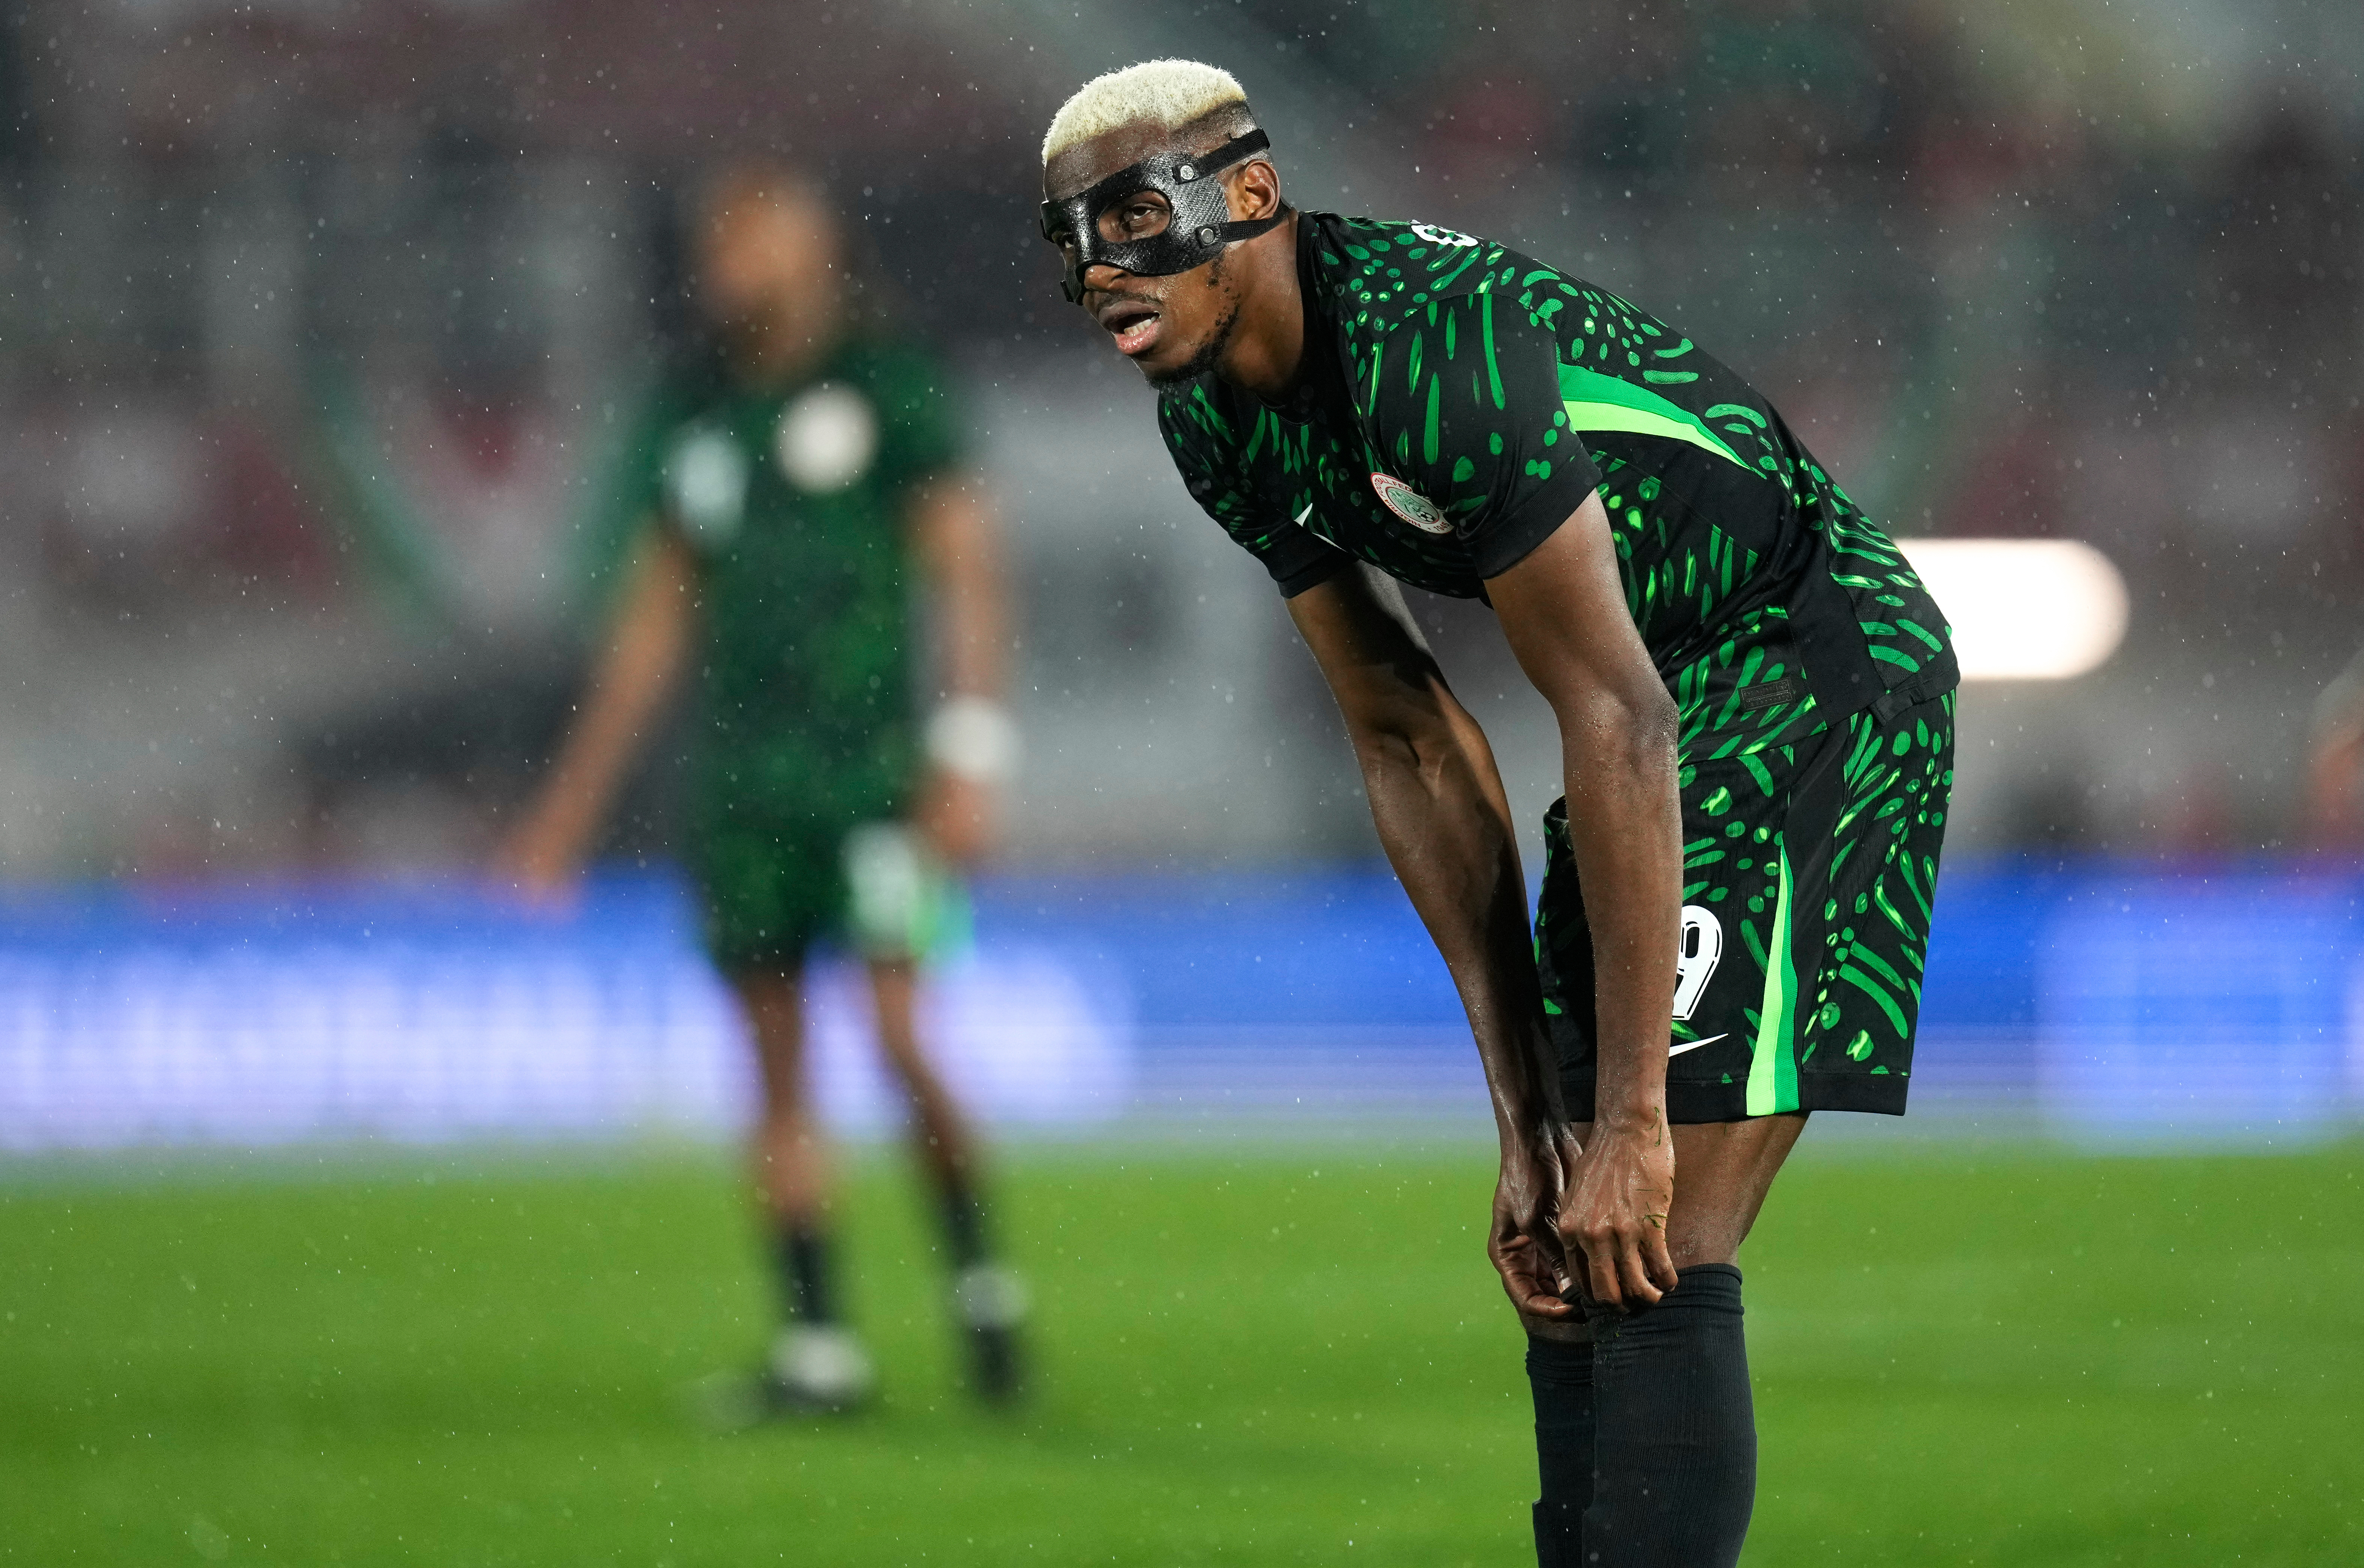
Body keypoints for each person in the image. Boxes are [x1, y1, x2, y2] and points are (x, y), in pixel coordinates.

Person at [1036, 61, 1956, 1567]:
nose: (1097, 274)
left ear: (1250, 193)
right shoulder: (1214, 423)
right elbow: (1406, 736)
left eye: (1132, 218)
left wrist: (1631, 1121)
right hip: (1658, 718)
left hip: (1807, 668)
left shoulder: (1431, 345)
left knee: (1654, 1241)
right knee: (1569, 1249)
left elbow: (1616, 715)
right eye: (1070, 240)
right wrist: (1530, 1124)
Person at [499, 161, 1026, 1412]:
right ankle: (818, 1346)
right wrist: (567, 811)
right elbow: (652, 623)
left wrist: (970, 755)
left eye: (758, 240)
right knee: (774, 1070)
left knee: (901, 1038)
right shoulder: (691, 413)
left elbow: (969, 573)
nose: (732, 265)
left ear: (817, 249)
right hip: (744, 797)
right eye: (721, 245)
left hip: (880, 784)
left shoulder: (888, 389)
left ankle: (981, 1286)